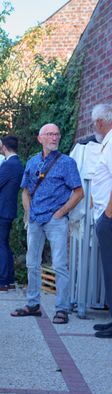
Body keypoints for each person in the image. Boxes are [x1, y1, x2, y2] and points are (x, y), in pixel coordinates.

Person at [11, 123, 83, 324]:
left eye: (57, 134)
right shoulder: (32, 162)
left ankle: (62, 309)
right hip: (35, 220)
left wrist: (60, 213)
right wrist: (28, 212)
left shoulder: (67, 163)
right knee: (32, 264)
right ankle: (33, 304)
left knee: (60, 265)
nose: (54, 138)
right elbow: (25, 191)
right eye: (50, 134)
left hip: (55, 220)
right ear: (40, 138)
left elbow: (79, 192)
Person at [0, 135, 23, 292]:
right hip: (8, 209)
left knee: (0, 245)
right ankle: (9, 279)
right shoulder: (18, 163)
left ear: (4, 148)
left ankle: (2, 281)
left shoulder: (9, 165)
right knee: (5, 245)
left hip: (1, 211)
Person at [89, 104, 112, 338]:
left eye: (94, 122)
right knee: (108, 270)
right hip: (105, 216)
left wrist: (108, 214)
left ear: (101, 122)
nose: (94, 126)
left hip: (109, 217)